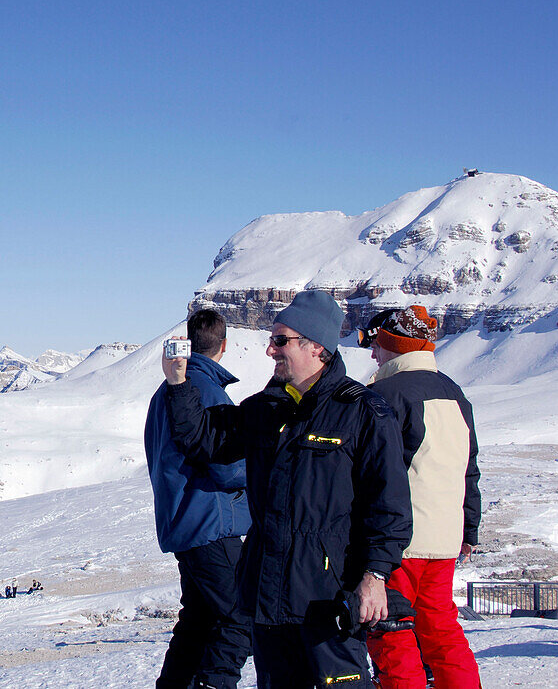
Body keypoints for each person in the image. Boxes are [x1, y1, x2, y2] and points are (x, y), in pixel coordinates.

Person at [163, 290, 412, 688]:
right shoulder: (265, 408)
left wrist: (375, 576)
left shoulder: (363, 412)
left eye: (280, 340)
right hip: (269, 599)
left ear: (316, 347)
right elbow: (205, 441)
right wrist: (178, 383)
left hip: (327, 599)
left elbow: (390, 507)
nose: (269, 350)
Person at [363, 306, 482, 688]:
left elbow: (372, 473)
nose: (372, 354)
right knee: (441, 630)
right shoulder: (454, 392)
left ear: (391, 345)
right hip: (444, 540)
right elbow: (469, 466)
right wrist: (468, 528)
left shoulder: (383, 395)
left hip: (400, 541)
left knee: (392, 630)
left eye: (377, 345)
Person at [145, 308, 252, 689]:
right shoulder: (209, 392)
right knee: (240, 616)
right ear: (224, 345)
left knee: (200, 617)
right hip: (212, 523)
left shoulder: (166, 391)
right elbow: (226, 464)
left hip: (183, 522)